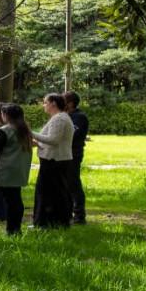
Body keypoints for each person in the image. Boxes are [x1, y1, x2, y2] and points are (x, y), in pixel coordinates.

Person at [0, 104, 33, 235]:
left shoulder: (5, 130)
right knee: (15, 199)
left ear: (6, 115)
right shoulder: (25, 129)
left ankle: (11, 229)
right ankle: (16, 228)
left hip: (7, 168)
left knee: (10, 201)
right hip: (20, 168)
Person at [32, 93, 74, 228]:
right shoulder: (58, 118)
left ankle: (48, 222)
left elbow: (53, 140)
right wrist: (37, 142)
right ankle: (50, 221)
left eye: (45, 102)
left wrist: (30, 133)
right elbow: (51, 139)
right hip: (54, 159)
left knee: (49, 193)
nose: (44, 105)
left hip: (55, 160)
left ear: (53, 103)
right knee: (51, 192)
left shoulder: (59, 119)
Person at [64, 91, 89, 224]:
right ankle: (67, 212)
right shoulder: (67, 116)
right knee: (67, 184)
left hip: (74, 153)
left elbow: (72, 135)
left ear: (71, 103)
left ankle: (79, 215)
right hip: (66, 153)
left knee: (73, 183)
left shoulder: (79, 117)